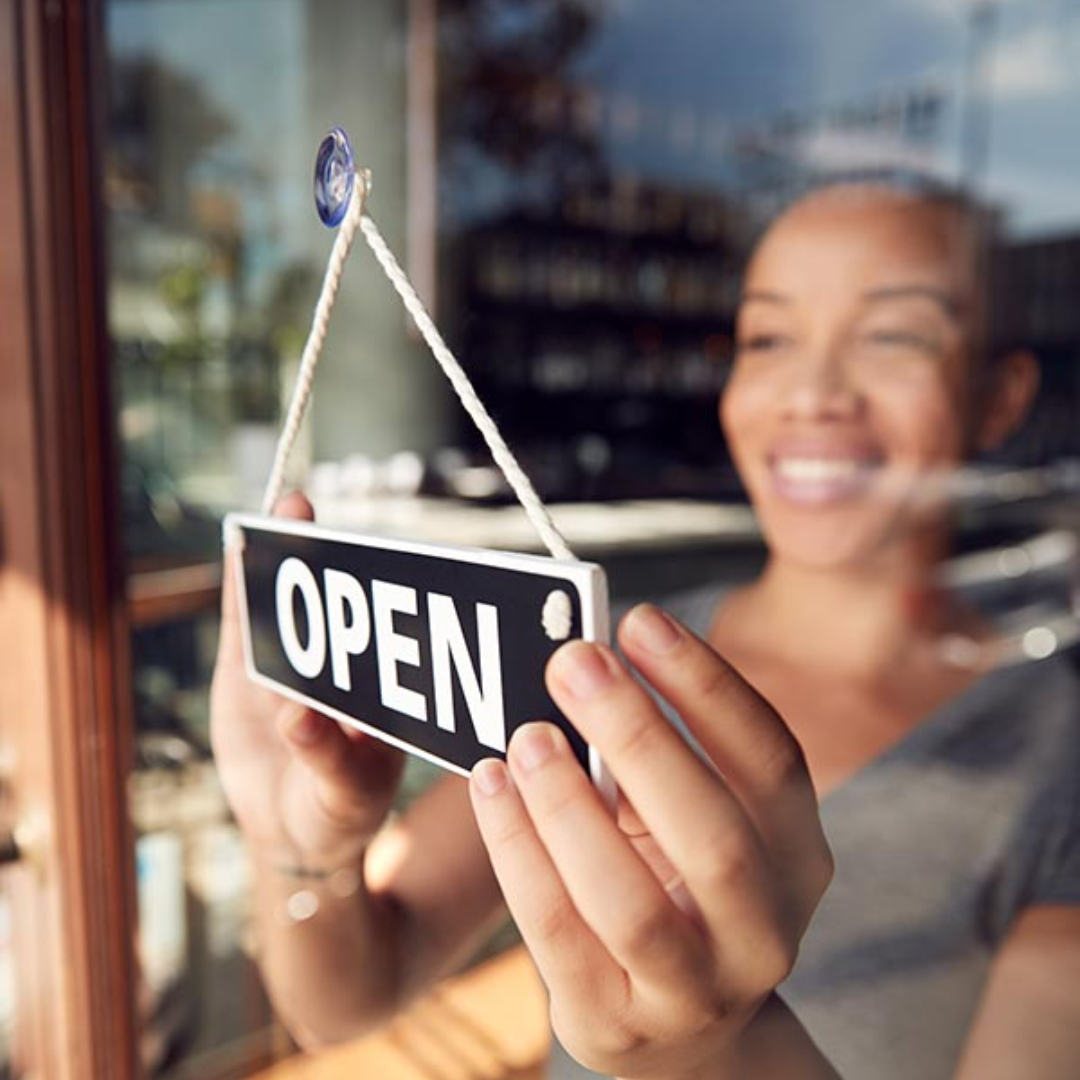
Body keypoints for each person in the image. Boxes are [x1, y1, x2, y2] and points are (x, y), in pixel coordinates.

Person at [210, 178, 1080, 1079]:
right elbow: (353, 997)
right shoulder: (600, 663)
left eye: (894, 336)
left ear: (1000, 396)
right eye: (770, 338)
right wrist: (302, 857)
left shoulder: (1058, 762)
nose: (813, 393)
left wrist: (728, 1048)